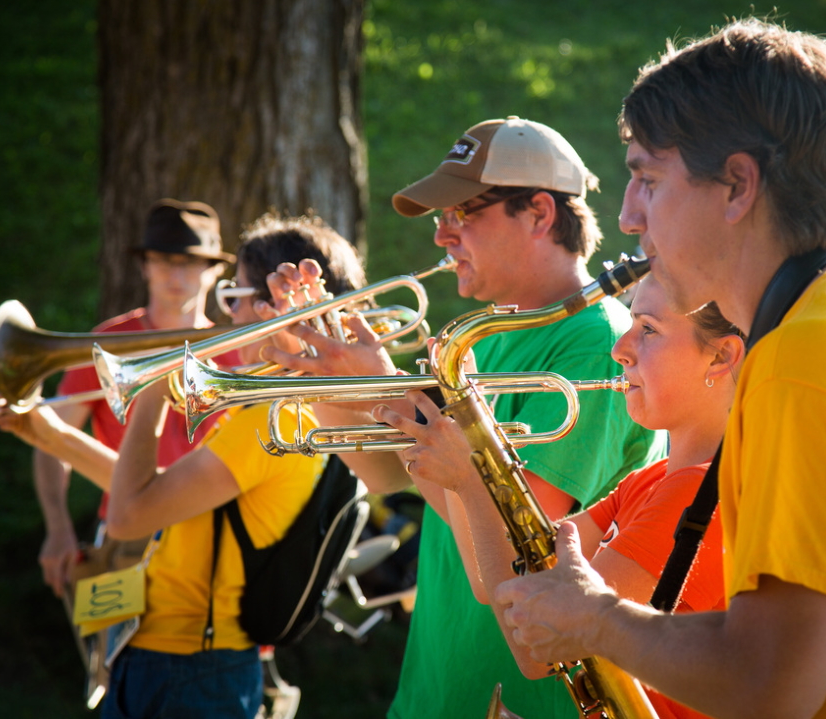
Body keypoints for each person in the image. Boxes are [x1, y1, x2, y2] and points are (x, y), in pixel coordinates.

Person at [496, 18, 826, 719]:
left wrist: (596, 618)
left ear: (737, 185)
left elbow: (768, 684)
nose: (625, 216)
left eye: (647, 179)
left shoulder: (802, 359)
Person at [260, 117, 668, 718]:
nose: (442, 236)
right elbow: (386, 476)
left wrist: (389, 393)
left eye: (462, 214)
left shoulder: (595, 341)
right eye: (439, 219)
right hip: (439, 690)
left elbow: (518, 543)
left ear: (538, 213)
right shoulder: (488, 337)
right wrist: (327, 375)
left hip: (528, 700)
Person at [0, 212, 366, 719]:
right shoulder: (267, 410)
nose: (230, 320)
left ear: (279, 307)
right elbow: (171, 501)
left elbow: (134, 511)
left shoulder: (274, 420)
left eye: (234, 301)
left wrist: (149, 388)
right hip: (156, 642)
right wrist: (52, 436)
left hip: (194, 661)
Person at [375, 274, 744, 719]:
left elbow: (539, 651)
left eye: (648, 329)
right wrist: (459, 452)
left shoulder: (699, 491)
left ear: (721, 357)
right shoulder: (654, 480)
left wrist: (472, 476)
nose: (620, 349)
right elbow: (511, 577)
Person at [33, 198, 237, 599]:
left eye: (191, 261)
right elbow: (49, 436)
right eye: (162, 259)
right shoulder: (109, 343)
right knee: (117, 660)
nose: (175, 273)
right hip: (128, 531)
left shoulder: (237, 349)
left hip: (217, 535)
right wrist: (58, 528)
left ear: (214, 271)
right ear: (144, 265)